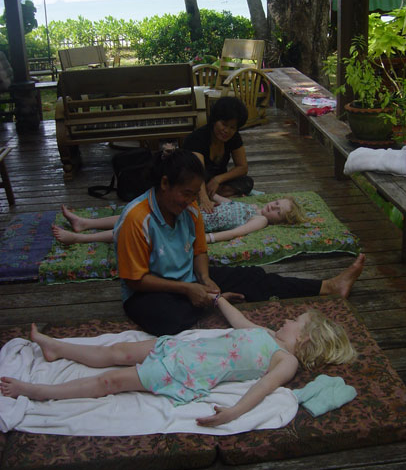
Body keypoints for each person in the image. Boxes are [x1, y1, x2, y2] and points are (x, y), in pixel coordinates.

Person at [110, 148, 365, 336]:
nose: (189, 201)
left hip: (188, 279)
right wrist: (189, 291)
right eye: (186, 193)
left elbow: (199, 250)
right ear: (164, 183)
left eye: (193, 194)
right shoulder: (136, 218)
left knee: (254, 277)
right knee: (170, 322)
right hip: (147, 293)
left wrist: (205, 279)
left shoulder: (190, 209)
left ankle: (328, 286)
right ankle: (214, 303)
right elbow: (135, 280)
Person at [0, 297, 357, 428]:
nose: (288, 320)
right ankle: (55, 348)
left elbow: (263, 388)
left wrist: (232, 412)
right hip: (179, 349)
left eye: (296, 321)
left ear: (305, 337)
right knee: (118, 351)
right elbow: (239, 321)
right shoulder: (266, 334)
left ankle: (36, 391)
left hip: (182, 370)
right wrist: (218, 298)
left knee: (110, 381)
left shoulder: (285, 360)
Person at [51, 193, 306, 246]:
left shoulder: (260, 221)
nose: (273, 206)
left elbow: (237, 233)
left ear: (278, 221)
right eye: (277, 202)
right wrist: (208, 192)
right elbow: (225, 202)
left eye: (278, 211)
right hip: (194, 211)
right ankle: (85, 223)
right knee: (139, 214)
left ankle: (80, 238)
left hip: (195, 225)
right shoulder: (254, 205)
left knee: (143, 227)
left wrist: (210, 238)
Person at [183, 96, 254, 213]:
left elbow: (242, 167)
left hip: (215, 182)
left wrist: (218, 179)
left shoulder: (234, 137)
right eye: (224, 124)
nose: (226, 131)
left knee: (247, 182)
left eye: (232, 127)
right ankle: (206, 195)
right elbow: (197, 171)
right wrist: (204, 199)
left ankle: (212, 194)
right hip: (195, 179)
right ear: (215, 120)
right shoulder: (197, 138)